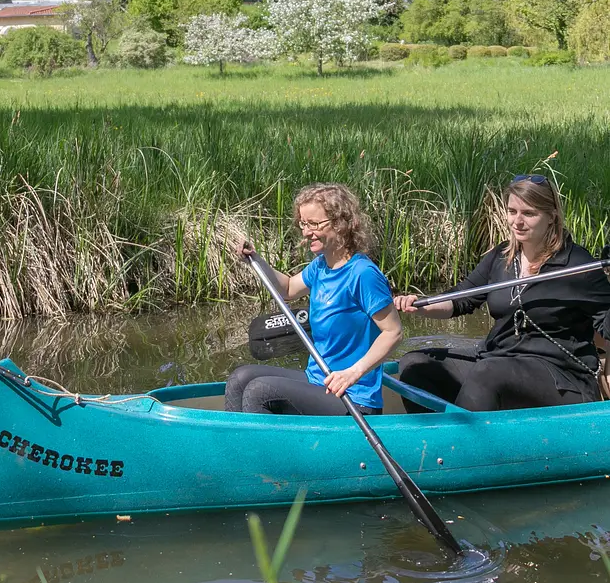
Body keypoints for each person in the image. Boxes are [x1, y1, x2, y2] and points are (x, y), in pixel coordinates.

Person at [394, 174, 610, 412]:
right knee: (414, 364)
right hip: (499, 358)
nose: (517, 221)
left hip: (562, 375)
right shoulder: (501, 257)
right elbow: (460, 300)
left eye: (528, 213)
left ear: (551, 217)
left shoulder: (579, 265)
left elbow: (606, 326)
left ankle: (461, 445)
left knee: (488, 373)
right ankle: (433, 442)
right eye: (511, 211)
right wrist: (420, 305)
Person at [225, 183, 403, 416]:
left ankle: (265, 452)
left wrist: (352, 373)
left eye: (314, 224)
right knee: (240, 378)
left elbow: (394, 333)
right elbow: (288, 288)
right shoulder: (321, 266)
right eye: (303, 224)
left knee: (260, 391)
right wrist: (256, 261)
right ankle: (238, 447)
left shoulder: (362, 274)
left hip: (353, 397)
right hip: (317, 381)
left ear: (340, 224)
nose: (306, 232)